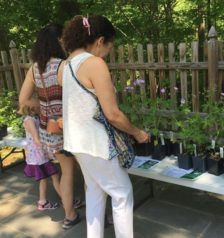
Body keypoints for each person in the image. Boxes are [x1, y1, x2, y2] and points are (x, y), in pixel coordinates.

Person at [59, 15, 150, 238]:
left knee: (95, 192)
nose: (108, 52)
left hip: (76, 143)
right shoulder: (94, 64)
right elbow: (113, 114)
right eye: (109, 46)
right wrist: (137, 133)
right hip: (97, 144)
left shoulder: (65, 66)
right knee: (122, 193)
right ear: (100, 41)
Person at [19, 23, 81, 229]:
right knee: (81, 172)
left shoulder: (35, 68)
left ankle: (69, 213)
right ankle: (82, 214)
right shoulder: (64, 65)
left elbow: (24, 100)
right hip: (69, 128)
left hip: (48, 131)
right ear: (58, 42)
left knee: (66, 172)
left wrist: (44, 107)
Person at [20, 104, 61, 210]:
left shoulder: (35, 118)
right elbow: (37, 140)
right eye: (38, 103)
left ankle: (43, 202)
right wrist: (51, 149)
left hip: (40, 155)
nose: (40, 105)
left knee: (45, 179)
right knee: (54, 176)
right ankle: (67, 199)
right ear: (32, 106)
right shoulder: (29, 120)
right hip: (39, 156)